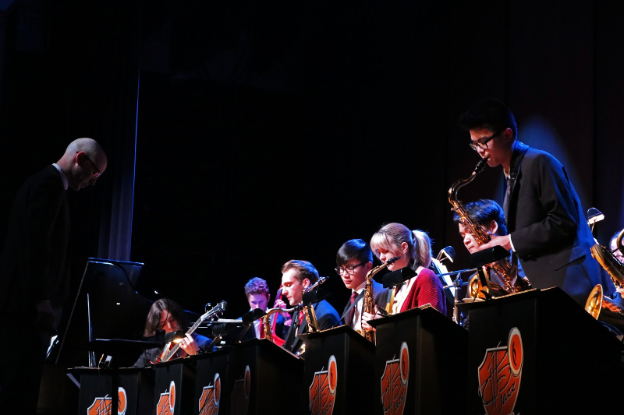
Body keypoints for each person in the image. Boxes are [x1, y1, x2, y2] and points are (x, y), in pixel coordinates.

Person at [458, 98, 612, 305]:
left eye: (483, 142)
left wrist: (509, 241)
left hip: (571, 281)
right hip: (550, 281)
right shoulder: (512, 172)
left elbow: (563, 222)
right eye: (474, 144)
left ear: (507, 135)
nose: (479, 150)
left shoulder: (539, 162)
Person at [0, 138, 107, 414]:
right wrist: (42, 300)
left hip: (26, 312)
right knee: (18, 393)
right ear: (80, 158)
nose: (93, 182)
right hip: (26, 313)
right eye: (95, 173)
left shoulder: (48, 186)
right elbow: (35, 247)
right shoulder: (48, 186)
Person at [367, 223, 446, 321]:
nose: (382, 257)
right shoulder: (396, 285)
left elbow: (429, 326)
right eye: (379, 252)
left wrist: (383, 324)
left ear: (404, 247)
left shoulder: (426, 277)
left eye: (385, 251)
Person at [453, 199, 528, 298]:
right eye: (463, 236)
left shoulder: (526, 264)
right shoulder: (475, 280)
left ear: (492, 226)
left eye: (471, 232)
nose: (466, 241)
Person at [281, 260, 340, 354]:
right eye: (283, 286)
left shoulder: (326, 316)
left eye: (288, 285)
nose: (283, 292)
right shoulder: (298, 310)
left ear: (305, 284)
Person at [133, 299, 212, 368]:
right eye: (162, 324)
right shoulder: (152, 350)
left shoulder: (204, 343)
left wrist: (196, 354)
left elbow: (213, 375)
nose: (170, 326)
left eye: (172, 319)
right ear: (156, 328)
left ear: (179, 318)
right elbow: (134, 373)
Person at [335, 239, 387, 332]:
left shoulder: (383, 293)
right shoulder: (352, 298)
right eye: (341, 269)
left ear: (368, 266)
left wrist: (380, 327)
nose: (344, 275)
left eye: (350, 268)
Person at [240, 277, 286, 343]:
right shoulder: (240, 323)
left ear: (268, 298)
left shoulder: (280, 320)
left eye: (261, 302)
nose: (257, 307)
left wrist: (287, 317)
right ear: (248, 300)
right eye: (253, 302)